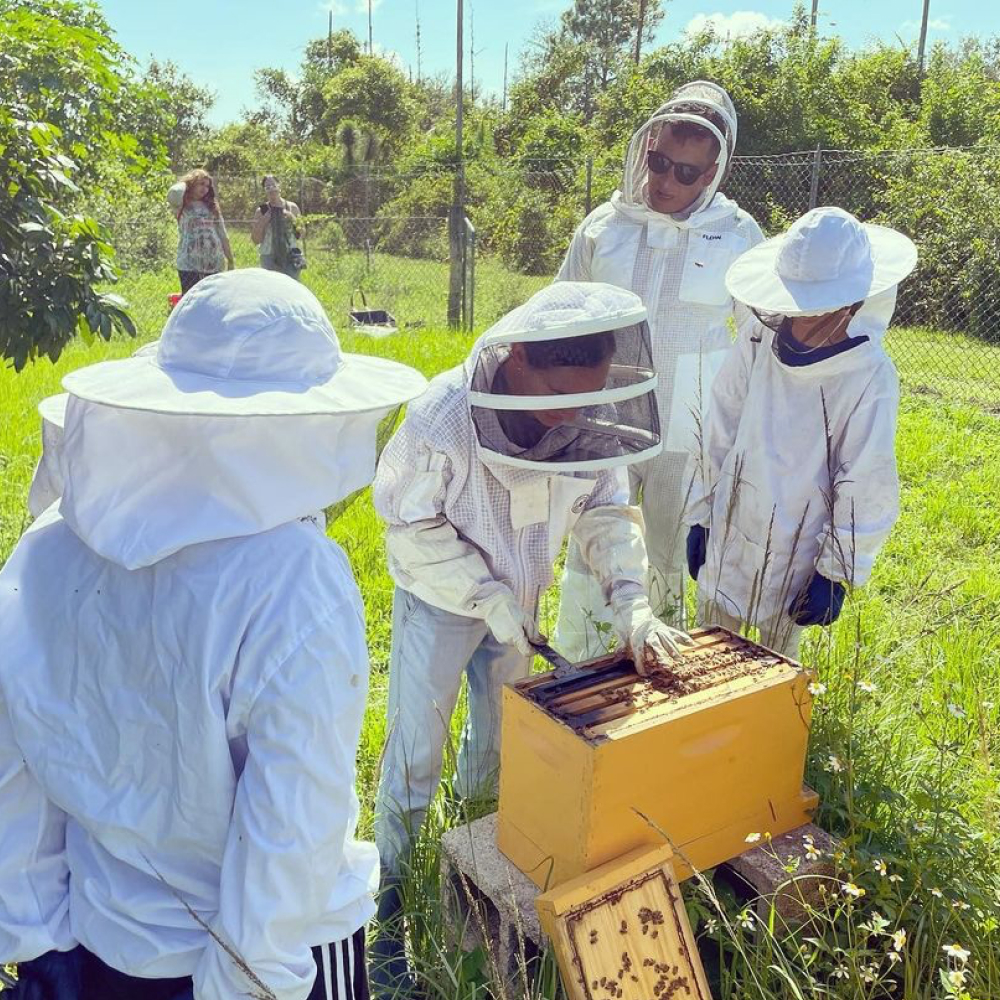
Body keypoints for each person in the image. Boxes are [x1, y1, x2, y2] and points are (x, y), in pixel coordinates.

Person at [0, 269, 428, 1000]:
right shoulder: (297, 580)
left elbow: (18, 769)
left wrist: (37, 941)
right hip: (273, 959)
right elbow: (293, 829)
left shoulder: (43, 547)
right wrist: (242, 987)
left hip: (106, 944)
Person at [369, 281, 691, 995]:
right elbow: (411, 526)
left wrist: (634, 605)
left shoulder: (590, 417)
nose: (577, 414)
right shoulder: (441, 419)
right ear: (515, 361)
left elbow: (608, 510)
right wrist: (482, 596)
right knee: (417, 748)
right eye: (563, 399)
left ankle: (472, 871)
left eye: (590, 396)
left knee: (500, 743)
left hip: (523, 601)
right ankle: (388, 907)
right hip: (442, 598)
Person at [553, 81, 764, 657]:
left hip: (689, 425)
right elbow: (558, 310)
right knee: (596, 539)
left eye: (686, 172)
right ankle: (581, 657)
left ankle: (654, 662)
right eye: (659, 163)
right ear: (646, 149)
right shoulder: (604, 225)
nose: (666, 182)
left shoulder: (740, 235)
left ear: (714, 170)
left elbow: (759, 337)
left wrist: (745, 428)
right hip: (606, 418)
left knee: (671, 549)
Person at [683, 207, 918, 657]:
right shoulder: (756, 338)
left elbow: (865, 476)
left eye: (816, 308)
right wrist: (701, 512)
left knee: (774, 665)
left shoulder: (868, 375)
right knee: (708, 647)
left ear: (852, 303)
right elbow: (720, 423)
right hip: (732, 517)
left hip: (799, 542)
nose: (800, 319)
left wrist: (835, 570)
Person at [167, 169, 235, 293]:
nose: (205, 188)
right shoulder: (181, 204)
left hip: (214, 263)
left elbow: (223, 235)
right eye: (201, 184)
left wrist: (230, 260)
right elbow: (173, 192)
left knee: (212, 300)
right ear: (192, 183)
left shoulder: (212, 207)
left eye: (208, 186)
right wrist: (187, 182)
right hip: (189, 264)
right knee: (191, 299)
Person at [251, 175, 304, 279]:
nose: (272, 189)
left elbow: (302, 234)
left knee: (292, 287)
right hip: (269, 257)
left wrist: (291, 217)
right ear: (264, 191)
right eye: (268, 187)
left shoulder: (292, 207)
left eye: (274, 185)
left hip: (291, 256)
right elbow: (255, 240)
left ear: (279, 187)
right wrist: (263, 221)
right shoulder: (261, 210)